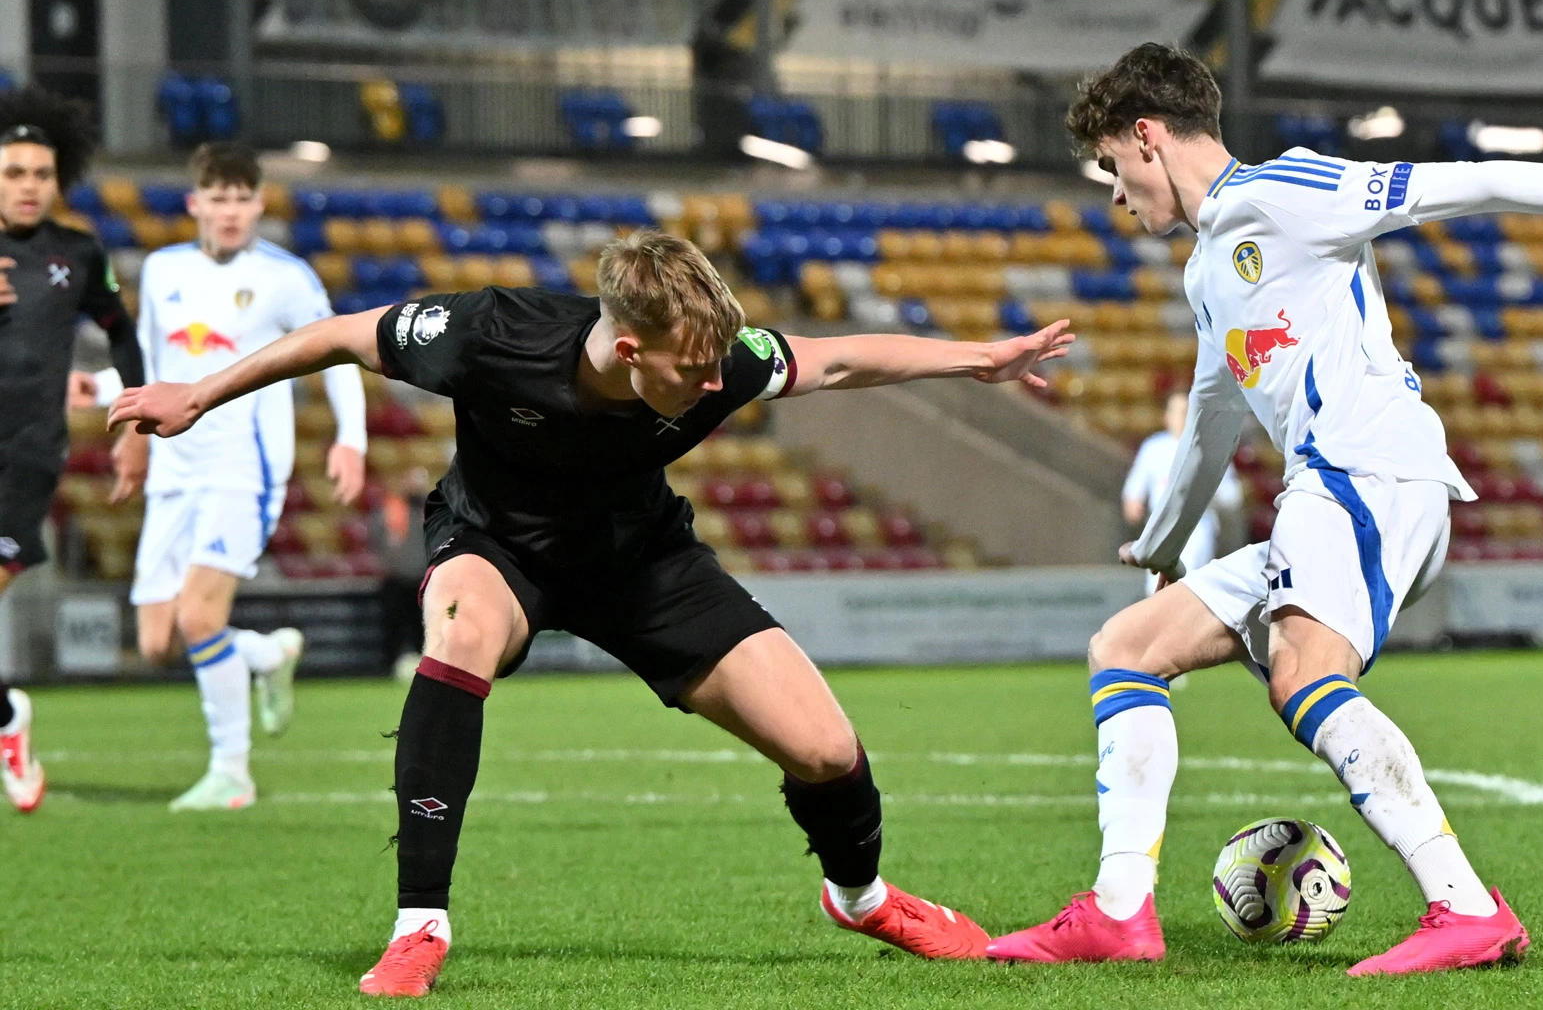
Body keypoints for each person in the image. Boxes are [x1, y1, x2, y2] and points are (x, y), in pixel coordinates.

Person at [111, 229, 1075, 996]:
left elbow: (835, 362)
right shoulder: (489, 333)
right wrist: (200, 394)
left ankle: (861, 898)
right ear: (625, 349)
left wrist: (977, 358)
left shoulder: (716, 356)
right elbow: (336, 336)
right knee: (461, 632)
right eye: (693, 372)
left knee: (825, 751)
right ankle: (419, 928)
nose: (716, 386)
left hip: (640, 559)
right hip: (500, 546)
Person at [985, 43, 1543, 974]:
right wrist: (1160, 543)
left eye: (1111, 165)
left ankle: (1465, 908)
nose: (1112, 193)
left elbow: (1474, 180)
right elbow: (1215, 418)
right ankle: (1116, 913)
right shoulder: (1208, 271)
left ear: (1146, 137)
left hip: (1369, 472)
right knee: (1127, 646)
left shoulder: (1291, 191)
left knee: (1301, 672)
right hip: (1333, 489)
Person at [85, 142, 366, 812]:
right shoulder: (162, 270)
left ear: (259, 204)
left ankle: (231, 773)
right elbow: (148, 364)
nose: (231, 210)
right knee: (157, 643)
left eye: (243, 197)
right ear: (195, 203)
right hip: (174, 472)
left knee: (199, 616)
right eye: (219, 196)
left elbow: (342, 350)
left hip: (244, 469)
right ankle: (265, 655)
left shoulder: (287, 278)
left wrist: (351, 439)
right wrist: (106, 404)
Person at [0, 86, 147, 814]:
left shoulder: (80, 254)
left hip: (25, 455)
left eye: (40, 173)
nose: (29, 186)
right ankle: (7, 721)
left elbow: (123, 332)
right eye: (13, 172)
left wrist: (133, 430)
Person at [1120, 389, 1242, 598]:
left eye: (1187, 411)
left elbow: (1233, 497)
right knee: (1158, 595)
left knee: (1190, 593)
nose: (1182, 418)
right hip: (1160, 531)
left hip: (1198, 530)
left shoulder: (1210, 447)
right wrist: (1133, 504)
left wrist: (1208, 487)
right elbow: (1133, 491)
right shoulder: (1153, 448)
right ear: (1166, 416)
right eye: (1177, 412)